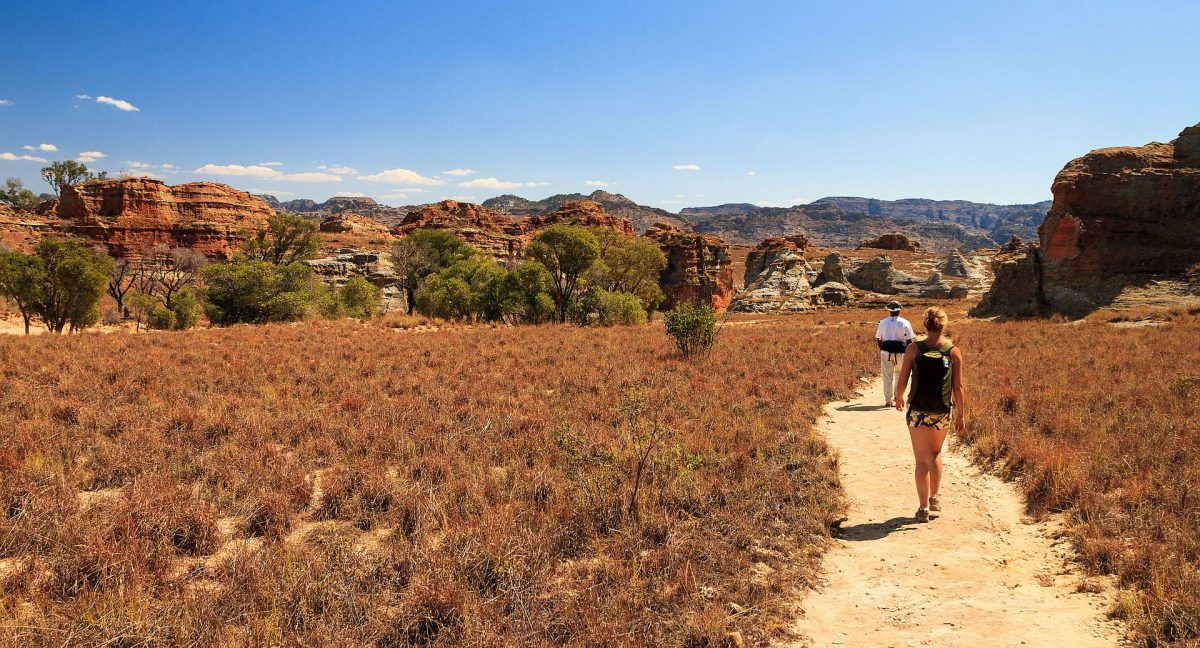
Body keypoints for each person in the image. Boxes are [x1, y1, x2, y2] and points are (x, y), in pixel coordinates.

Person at [894, 307, 965, 523]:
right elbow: (958, 387)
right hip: (941, 411)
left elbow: (904, 377)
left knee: (921, 460)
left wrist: (899, 397)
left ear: (926, 324)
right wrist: (961, 414)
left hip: (918, 410)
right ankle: (934, 497)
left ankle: (923, 508)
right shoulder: (953, 351)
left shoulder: (914, 349)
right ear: (944, 325)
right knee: (935, 454)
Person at [875, 301, 914, 406]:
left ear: (888, 310)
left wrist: (883, 350)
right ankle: (897, 397)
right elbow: (910, 341)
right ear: (899, 310)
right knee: (899, 375)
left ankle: (888, 400)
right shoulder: (905, 322)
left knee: (887, 376)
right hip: (901, 353)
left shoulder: (882, 322)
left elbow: (878, 339)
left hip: (886, 352)